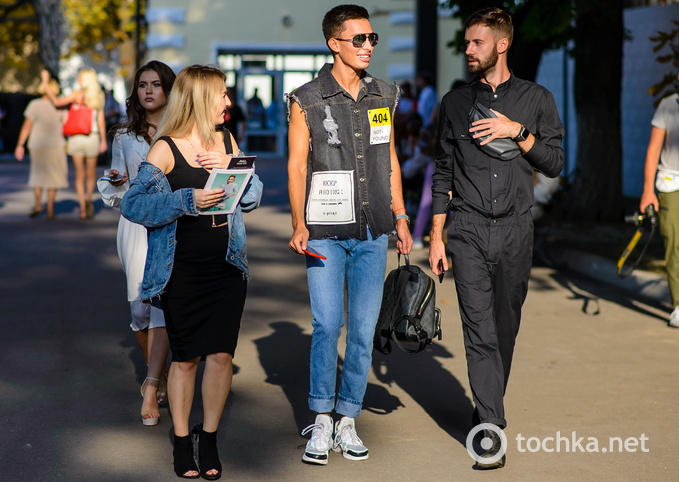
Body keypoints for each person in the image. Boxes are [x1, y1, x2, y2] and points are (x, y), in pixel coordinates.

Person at [428, 7, 564, 469]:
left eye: (476, 43)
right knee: (480, 331)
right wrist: (437, 234)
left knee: (504, 327)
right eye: (466, 43)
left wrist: (517, 132)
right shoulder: (453, 104)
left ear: (501, 45)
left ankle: (485, 402)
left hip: (515, 230)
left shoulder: (537, 98)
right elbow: (443, 170)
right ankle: (490, 430)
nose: (467, 50)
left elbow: (555, 162)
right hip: (465, 228)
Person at [120, 64, 263, 480]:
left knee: (221, 356)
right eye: (222, 95)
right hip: (181, 270)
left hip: (227, 267)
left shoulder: (227, 140)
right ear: (201, 97)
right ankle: (183, 441)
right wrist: (186, 200)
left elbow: (251, 198)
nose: (229, 103)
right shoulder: (165, 148)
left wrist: (233, 162)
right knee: (185, 360)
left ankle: (210, 437)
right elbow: (134, 205)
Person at [287, 4, 412, 466]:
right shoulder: (306, 98)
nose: (367, 46)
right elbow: (297, 164)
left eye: (372, 38)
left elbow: (391, 158)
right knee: (326, 325)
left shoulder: (385, 95)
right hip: (322, 231)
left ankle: (347, 418)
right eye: (358, 39)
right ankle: (321, 417)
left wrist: (401, 216)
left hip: (374, 229)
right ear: (333, 43)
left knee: (361, 330)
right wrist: (298, 223)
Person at [97, 61, 176, 426]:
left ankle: (153, 382)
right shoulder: (124, 135)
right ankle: (156, 371)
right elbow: (118, 185)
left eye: (156, 84)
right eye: (142, 85)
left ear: (168, 90)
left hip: (172, 224)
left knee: (162, 307)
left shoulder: (181, 130)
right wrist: (116, 180)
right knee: (140, 311)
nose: (148, 91)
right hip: (134, 225)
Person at [41, 69, 107, 219]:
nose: (78, 78)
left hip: (76, 137)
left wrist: (45, 83)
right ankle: (89, 198)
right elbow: (101, 121)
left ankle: (83, 207)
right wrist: (103, 141)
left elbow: (57, 103)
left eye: (81, 76)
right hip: (93, 137)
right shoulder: (98, 97)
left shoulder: (77, 94)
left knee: (79, 175)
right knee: (91, 174)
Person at [640, 72, 679, 328]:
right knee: (675, 243)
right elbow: (654, 149)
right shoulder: (668, 105)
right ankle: (678, 305)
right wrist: (647, 191)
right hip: (671, 182)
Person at [14, 78, 68, 219]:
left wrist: (20, 144)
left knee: (37, 173)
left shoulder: (34, 105)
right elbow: (66, 124)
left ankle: (38, 204)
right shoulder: (61, 105)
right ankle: (50, 207)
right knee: (53, 176)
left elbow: (27, 126)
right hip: (56, 143)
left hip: (37, 144)